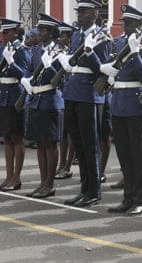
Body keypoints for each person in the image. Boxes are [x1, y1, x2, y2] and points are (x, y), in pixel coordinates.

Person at [103, 4, 142, 216]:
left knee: (139, 156)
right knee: (124, 154)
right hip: (119, 103)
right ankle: (128, 197)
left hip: (136, 105)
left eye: (129, 22)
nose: (124, 25)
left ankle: (141, 198)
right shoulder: (117, 43)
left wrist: (135, 54)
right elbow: (111, 69)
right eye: (124, 21)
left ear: (139, 24)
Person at [61, 0, 111, 207]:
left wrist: (89, 52)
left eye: (83, 12)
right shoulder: (76, 36)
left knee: (91, 145)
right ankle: (84, 188)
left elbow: (102, 69)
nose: (79, 15)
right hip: (73, 93)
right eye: (78, 12)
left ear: (95, 14)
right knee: (79, 146)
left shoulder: (103, 38)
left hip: (89, 96)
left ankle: (94, 191)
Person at [22, 13, 65, 198]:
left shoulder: (59, 51)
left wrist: (50, 67)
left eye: (42, 30)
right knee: (40, 143)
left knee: (50, 144)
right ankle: (42, 182)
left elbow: (60, 80)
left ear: (50, 32)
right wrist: (26, 80)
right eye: (38, 29)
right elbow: (30, 70)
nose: (38, 32)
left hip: (51, 100)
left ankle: (50, 183)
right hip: (36, 100)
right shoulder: (37, 51)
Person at [0, 18, 31, 191]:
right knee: (7, 138)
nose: (3, 35)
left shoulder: (21, 51)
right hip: (2, 96)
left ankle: (17, 178)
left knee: (17, 137)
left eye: (6, 32)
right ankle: (8, 175)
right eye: (3, 32)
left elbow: (24, 76)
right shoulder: (2, 49)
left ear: (15, 33)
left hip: (14, 96)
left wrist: (11, 62)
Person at [54, 21, 76, 180]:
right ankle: (61, 164)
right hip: (62, 93)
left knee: (71, 133)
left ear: (70, 38)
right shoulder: (58, 52)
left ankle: (68, 165)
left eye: (63, 35)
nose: (59, 38)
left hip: (70, 93)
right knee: (63, 133)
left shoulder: (72, 53)